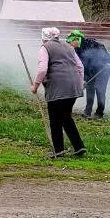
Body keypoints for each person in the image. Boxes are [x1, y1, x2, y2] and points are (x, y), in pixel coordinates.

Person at [30, 27, 86, 158]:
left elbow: (43, 69)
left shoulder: (45, 48)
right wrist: (80, 82)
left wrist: (35, 86)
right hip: (73, 87)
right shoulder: (68, 46)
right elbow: (80, 66)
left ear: (44, 38)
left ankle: (58, 150)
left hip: (57, 87)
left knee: (55, 119)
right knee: (66, 117)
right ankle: (79, 146)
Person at [66, 29, 110, 118]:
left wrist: (107, 62)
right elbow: (81, 66)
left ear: (77, 39)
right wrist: (83, 79)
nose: (70, 44)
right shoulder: (76, 50)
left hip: (104, 67)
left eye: (71, 42)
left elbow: (104, 56)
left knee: (100, 89)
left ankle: (99, 112)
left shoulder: (93, 44)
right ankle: (88, 110)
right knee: (89, 87)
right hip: (90, 69)